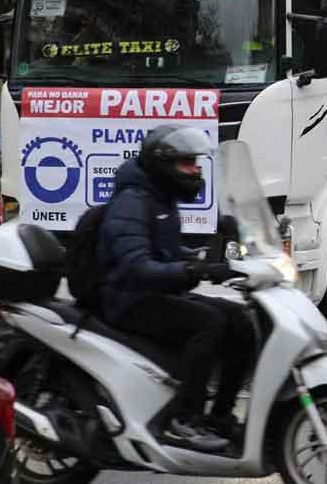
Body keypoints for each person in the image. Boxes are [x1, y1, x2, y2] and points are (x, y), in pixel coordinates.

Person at [97, 126, 253, 453]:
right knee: (209, 323)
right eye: (187, 163)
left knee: (241, 320)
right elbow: (136, 266)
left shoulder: (159, 199)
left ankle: (220, 416)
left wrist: (215, 260)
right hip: (126, 300)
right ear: (162, 165)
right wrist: (192, 270)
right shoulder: (132, 202)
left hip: (153, 294)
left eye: (196, 163)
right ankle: (183, 419)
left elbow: (166, 252)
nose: (195, 170)